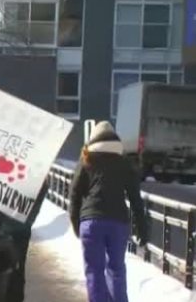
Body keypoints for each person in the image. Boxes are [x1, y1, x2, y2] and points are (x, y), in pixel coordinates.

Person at [69, 121, 148, 302]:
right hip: (118, 223)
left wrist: (76, 224)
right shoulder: (124, 163)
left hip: (91, 223)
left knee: (94, 272)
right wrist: (142, 228)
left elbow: (74, 195)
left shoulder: (86, 160)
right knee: (116, 270)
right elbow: (136, 199)